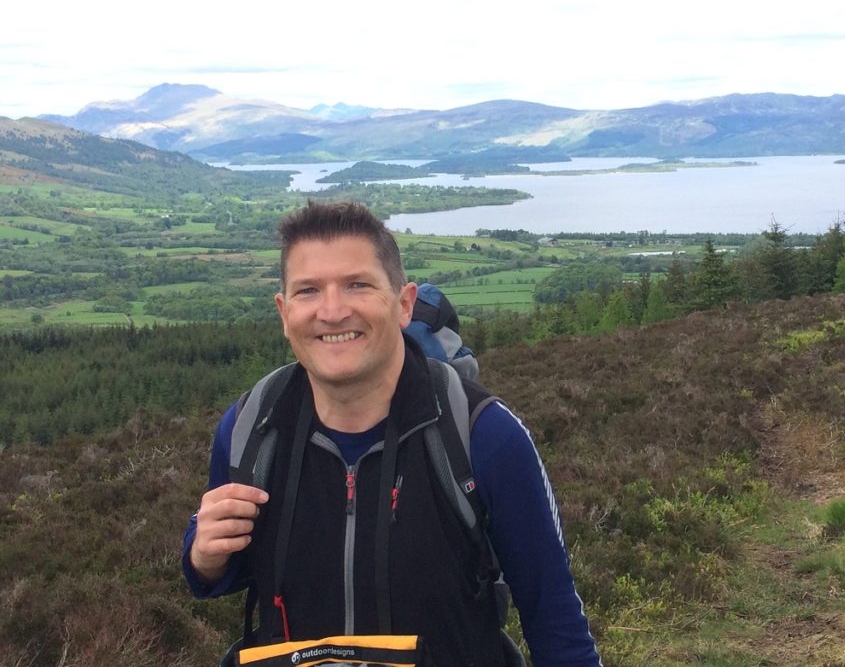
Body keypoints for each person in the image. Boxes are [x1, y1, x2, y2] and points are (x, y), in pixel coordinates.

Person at [182, 200, 601, 666]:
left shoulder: (483, 436)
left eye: (358, 284)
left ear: (403, 303)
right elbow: (221, 566)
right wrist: (203, 555)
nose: (333, 310)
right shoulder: (249, 428)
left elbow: (557, 624)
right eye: (308, 291)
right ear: (284, 312)